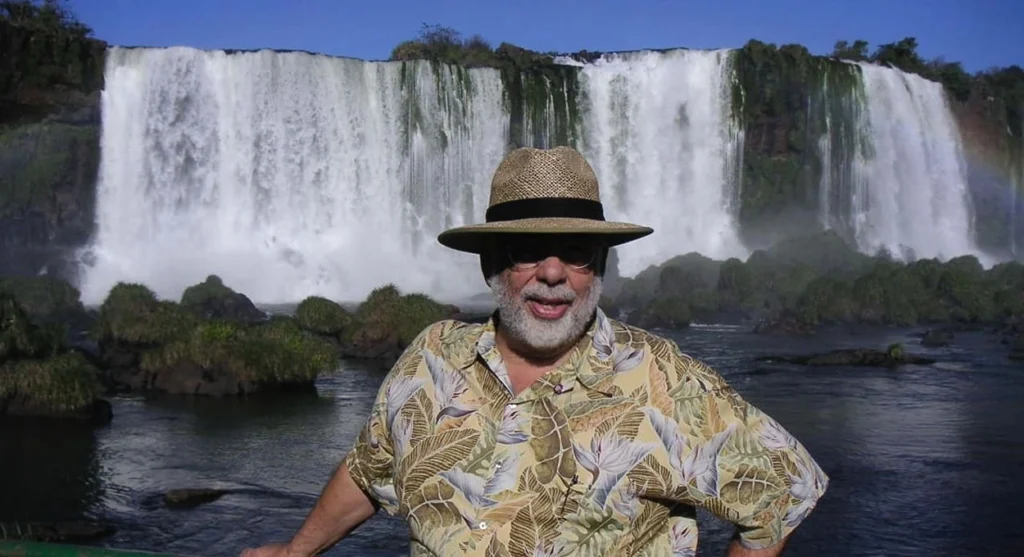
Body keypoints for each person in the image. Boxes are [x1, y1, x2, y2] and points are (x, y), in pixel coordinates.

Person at [242, 146, 828, 557]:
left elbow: (785, 489)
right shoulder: (432, 356)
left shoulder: (662, 379)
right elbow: (370, 469)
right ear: (491, 265)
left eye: (575, 252)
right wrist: (296, 551)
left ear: (598, 268)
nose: (552, 273)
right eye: (528, 250)